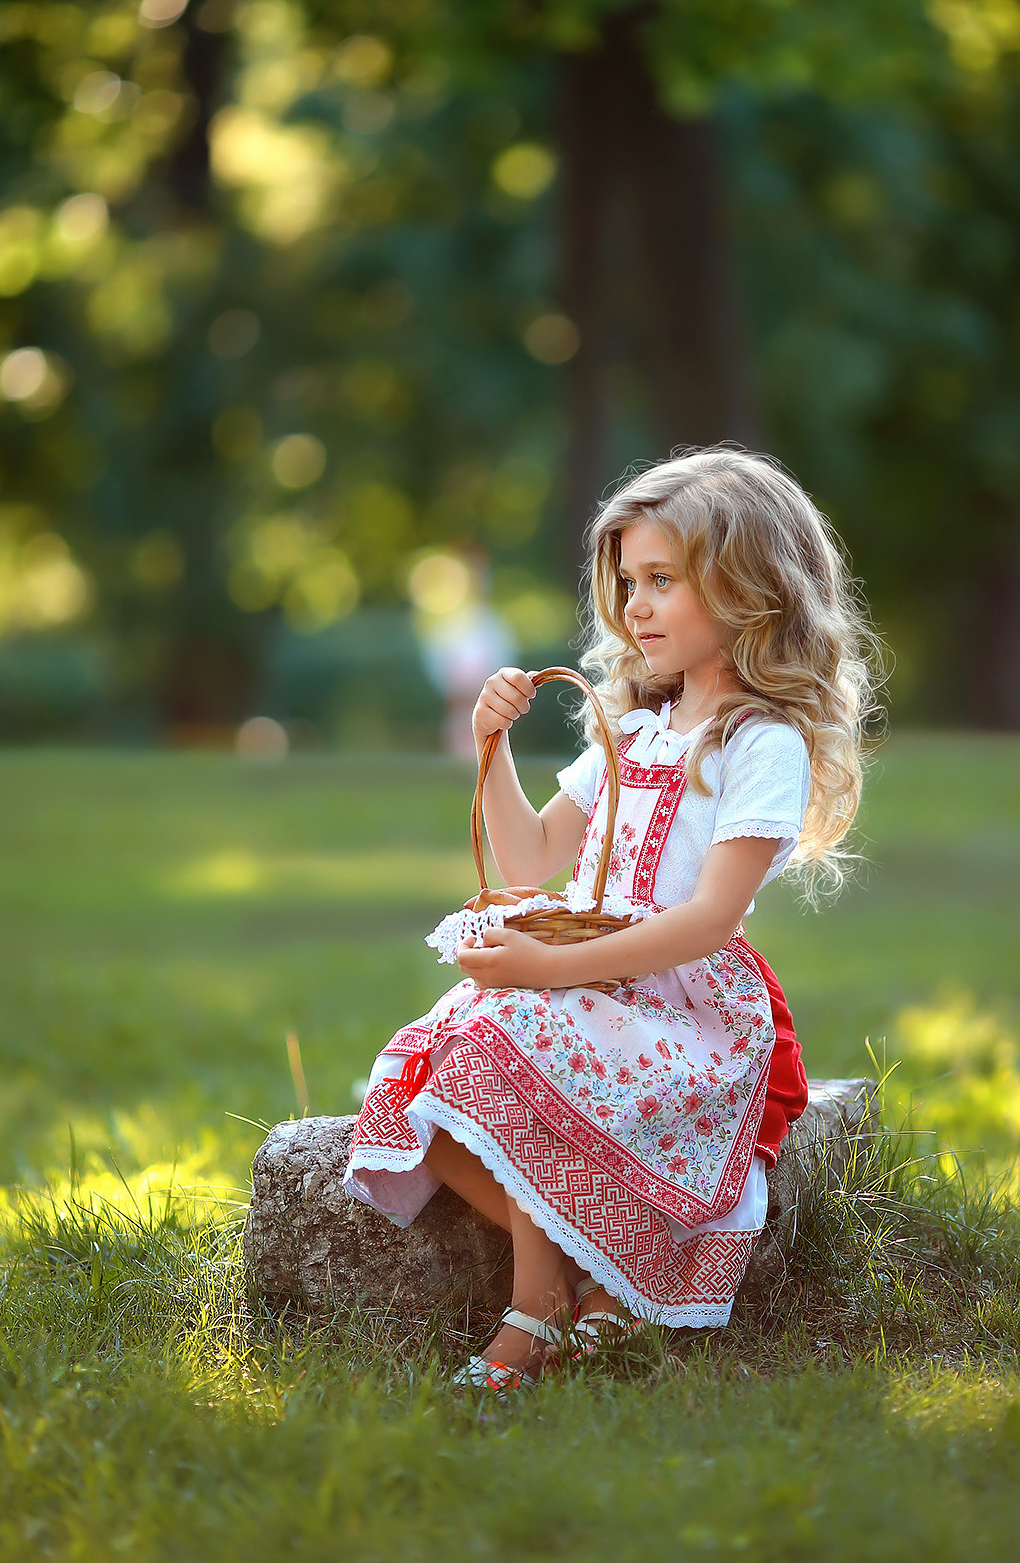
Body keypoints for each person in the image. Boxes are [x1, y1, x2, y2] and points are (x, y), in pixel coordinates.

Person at [345, 446, 879, 1393]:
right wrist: (490, 744)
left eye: (663, 580)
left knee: (503, 1032)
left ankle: (531, 1310)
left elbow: (710, 919)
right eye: (629, 582)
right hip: (592, 981)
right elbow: (529, 858)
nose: (635, 605)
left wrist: (546, 971)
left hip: (688, 1007)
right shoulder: (631, 729)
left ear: (749, 588)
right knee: (428, 1073)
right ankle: (579, 1288)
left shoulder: (760, 741)